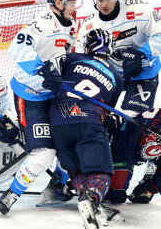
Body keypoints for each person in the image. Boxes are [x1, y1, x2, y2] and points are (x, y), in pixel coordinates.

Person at [0, 0, 81, 217]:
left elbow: (68, 53)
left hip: (55, 93)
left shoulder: (72, 23)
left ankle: (58, 185)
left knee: (72, 140)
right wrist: (42, 69)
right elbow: (16, 48)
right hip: (30, 95)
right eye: (71, 1)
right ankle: (11, 194)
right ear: (58, 2)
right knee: (45, 153)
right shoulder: (41, 23)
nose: (75, 5)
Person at [50, 28, 123, 228]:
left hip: (58, 119)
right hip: (88, 121)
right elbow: (107, 110)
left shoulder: (72, 58)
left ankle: (86, 198)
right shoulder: (117, 77)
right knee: (101, 171)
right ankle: (91, 199)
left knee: (75, 168)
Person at [77, 0, 161, 116]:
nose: (104, 4)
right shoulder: (88, 26)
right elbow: (83, 60)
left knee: (131, 120)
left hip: (143, 72)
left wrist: (141, 54)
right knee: (98, 118)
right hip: (110, 76)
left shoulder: (141, 10)